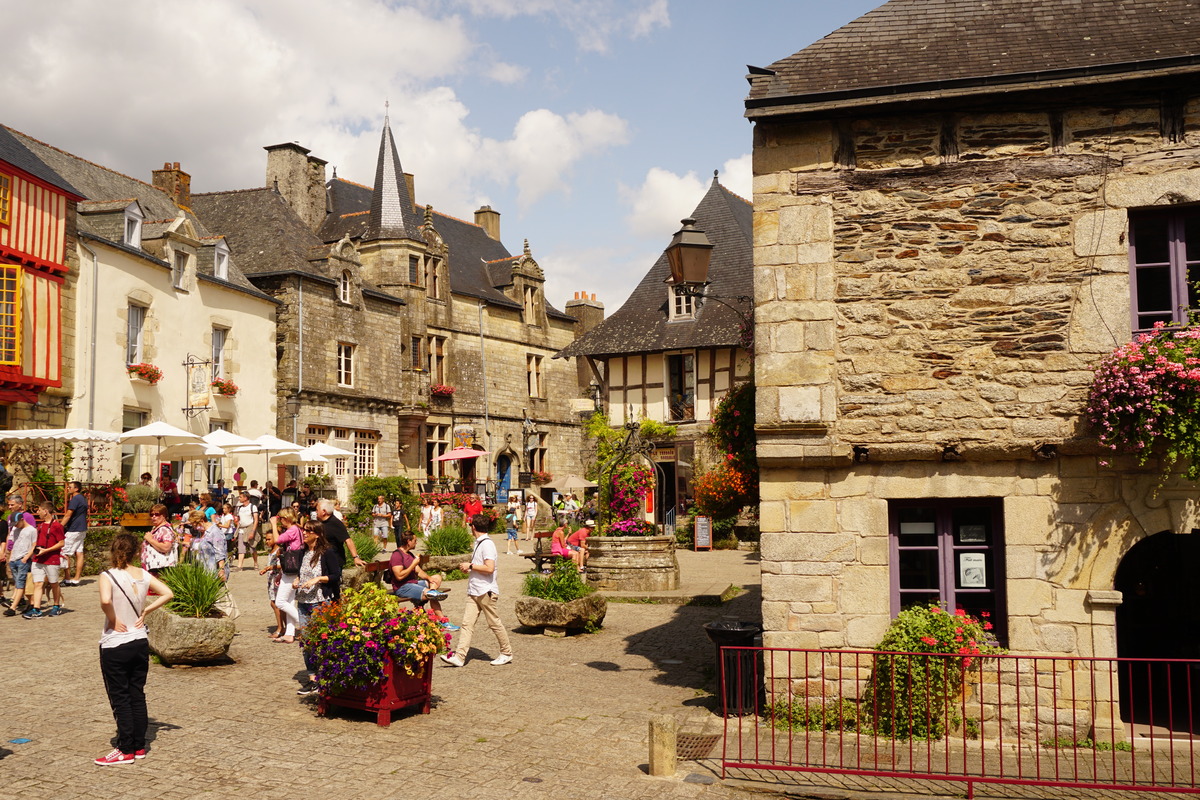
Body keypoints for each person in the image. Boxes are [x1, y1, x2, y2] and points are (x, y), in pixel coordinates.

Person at [94, 533, 173, 765]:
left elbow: (106, 601)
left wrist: (112, 619)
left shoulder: (107, 576)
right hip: (139, 640)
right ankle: (139, 745)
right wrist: (146, 611)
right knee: (137, 693)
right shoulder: (143, 574)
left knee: (120, 696)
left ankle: (125, 748)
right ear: (136, 552)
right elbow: (168, 593)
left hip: (116, 643)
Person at [439, 513, 513, 668]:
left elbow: (490, 568)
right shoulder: (479, 543)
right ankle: (459, 657)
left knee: (494, 623)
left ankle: (506, 652)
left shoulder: (487, 544)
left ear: (473, 527)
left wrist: (470, 566)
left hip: (485, 591)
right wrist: (471, 568)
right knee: (467, 624)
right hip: (474, 590)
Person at [294, 521, 339, 696]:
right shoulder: (303, 552)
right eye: (304, 530)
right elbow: (301, 573)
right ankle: (313, 679)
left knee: (322, 640)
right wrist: (297, 581)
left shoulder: (327, 553)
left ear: (317, 534)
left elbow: (336, 575)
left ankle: (326, 676)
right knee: (306, 641)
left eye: (308, 531)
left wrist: (318, 579)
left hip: (321, 602)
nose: (304, 533)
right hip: (303, 602)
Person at [388, 531, 453, 625]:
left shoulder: (409, 554)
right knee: (432, 594)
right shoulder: (397, 555)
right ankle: (442, 620)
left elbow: (418, 571)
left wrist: (430, 578)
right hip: (402, 587)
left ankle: (432, 593)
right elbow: (399, 576)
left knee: (437, 577)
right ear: (409, 541)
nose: (416, 542)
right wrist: (413, 564)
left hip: (413, 583)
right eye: (415, 540)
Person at [314, 498, 365, 602]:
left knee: (334, 590)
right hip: (324, 560)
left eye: (317, 509)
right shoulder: (321, 523)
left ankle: (335, 613)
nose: (316, 512)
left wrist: (355, 557)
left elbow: (348, 540)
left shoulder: (335, 523)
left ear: (324, 511)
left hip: (335, 561)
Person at [23, 501, 65, 618]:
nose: (37, 512)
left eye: (39, 510)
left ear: (45, 511)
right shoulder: (40, 526)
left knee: (53, 583)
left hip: (51, 559)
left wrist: (46, 550)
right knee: (37, 583)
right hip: (38, 559)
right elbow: (36, 542)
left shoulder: (57, 526)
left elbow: (61, 543)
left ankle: (56, 606)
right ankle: (36, 609)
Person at [271, 509, 303, 643]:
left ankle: (304, 623)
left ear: (287, 518)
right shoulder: (297, 529)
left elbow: (277, 540)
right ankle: (290, 633)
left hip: (291, 569)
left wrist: (273, 524)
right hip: (291, 569)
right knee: (289, 601)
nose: (280, 521)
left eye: (281, 518)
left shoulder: (292, 530)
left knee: (280, 602)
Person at [3, 512, 37, 617]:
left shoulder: (32, 530)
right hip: (14, 560)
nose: (16, 526)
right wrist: (11, 558)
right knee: (18, 583)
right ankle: (32, 603)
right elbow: (14, 544)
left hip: (23, 559)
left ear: (22, 519)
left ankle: (13, 607)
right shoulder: (16, 529)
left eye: (17, 523)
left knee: (20, 583)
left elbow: (34, 545)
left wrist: (26, 557)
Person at [61, 480, 89, 586]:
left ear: (76, 489)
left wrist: (59, 527)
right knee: (79, 552)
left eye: (70, 487)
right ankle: (77, 578)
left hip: (74, 529)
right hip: (82, 528)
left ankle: (67, 579)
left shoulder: (75, 499)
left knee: (65, 552)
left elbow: (68, 514)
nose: (68, 489)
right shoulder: (82, 498)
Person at [139, 505, 177, 575]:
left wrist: (150, 540)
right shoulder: (156, 528)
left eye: (157, 514)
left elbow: (166, 547)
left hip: (160, 569)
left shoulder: (164, 529)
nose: (153, 517)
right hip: (152, 568)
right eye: (151, 514)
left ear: (164, 515)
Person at [235, 490, 260, 571]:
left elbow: (256, 520)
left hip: (250, 528)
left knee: (252, 548)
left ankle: (255, 563)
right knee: (241, 548)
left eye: (241, 497)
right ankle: (240, 566)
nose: (239, 498)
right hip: (241, 530)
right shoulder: (239, 508)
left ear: (246, 498)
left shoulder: (252, 507)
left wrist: (253, 531)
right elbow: (238, 519)